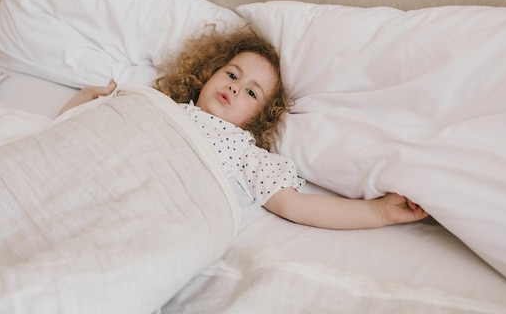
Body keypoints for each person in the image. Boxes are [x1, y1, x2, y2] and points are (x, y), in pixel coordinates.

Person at [60, 29, 428, 230]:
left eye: (251, 91)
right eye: (232, 74)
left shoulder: (244, 152)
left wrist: (380, 212)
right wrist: (86, 99)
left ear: (257, 118)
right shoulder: (160, 105)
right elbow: (69, 136)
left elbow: (297, 207)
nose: (235, 86)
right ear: (207, 75)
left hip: (160, 209)